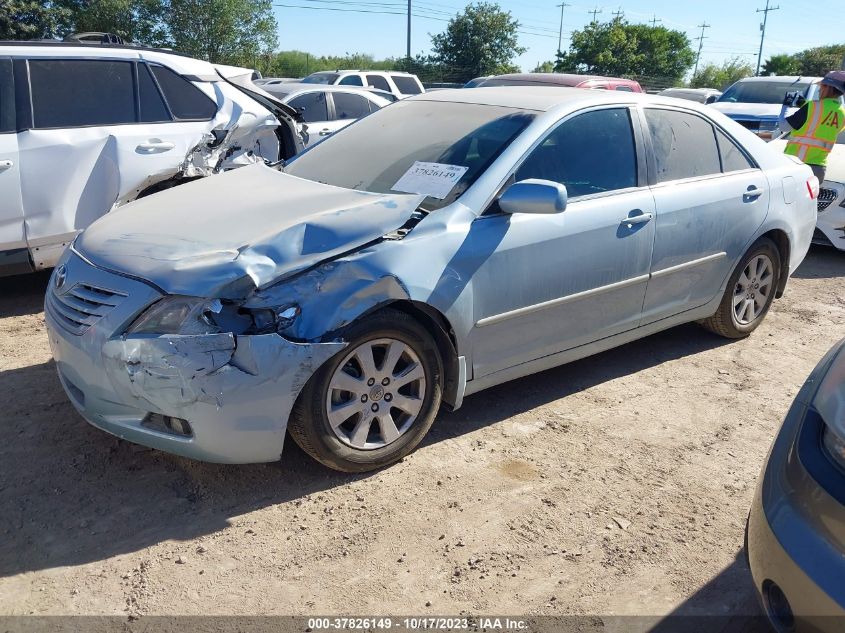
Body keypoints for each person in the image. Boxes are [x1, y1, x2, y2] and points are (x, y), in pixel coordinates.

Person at [779, 70, 845, 183]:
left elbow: (783, 126)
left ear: (828, 87)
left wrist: (786, 106)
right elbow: (820, 125)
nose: (819, 89)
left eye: (822, 86)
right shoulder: (842, 113)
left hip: (796, 164)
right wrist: (804, 104)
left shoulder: (812, 106)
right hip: (819, 168)